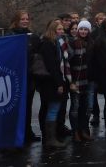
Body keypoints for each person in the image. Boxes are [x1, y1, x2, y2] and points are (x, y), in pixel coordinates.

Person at [7, 10, 41, 143]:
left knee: (28, 106)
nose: (25, 21)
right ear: (16, 20)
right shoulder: (10, 35)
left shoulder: (32, 36)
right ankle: (14, 133)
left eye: (27, 19)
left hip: (29, 76)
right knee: (14, 107)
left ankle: (27, 132)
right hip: (15, 77)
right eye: (22, 19)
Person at [38, 20, 67, 148]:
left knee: (51, 109)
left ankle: (50, 138)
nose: (61, 32)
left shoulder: (57, 43)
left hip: (53, 80)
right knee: (53, 109)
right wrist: (59, 83)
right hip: (50, 82)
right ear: (53, 30)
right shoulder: (48, 44)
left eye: (62, 29)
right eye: (59, 29)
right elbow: (52, 66)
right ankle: (50, 139)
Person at [66, 20, 94, 142]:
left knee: (86, 108)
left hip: (88, 80)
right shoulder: (73, 43)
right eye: (81, 29)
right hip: (76, 81)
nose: (83, 31)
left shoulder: (92, 43)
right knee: (75, 109)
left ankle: (84, 130)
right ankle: (75, 132)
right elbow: (67, 63)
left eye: (85, 29)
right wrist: (70, 81)